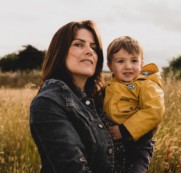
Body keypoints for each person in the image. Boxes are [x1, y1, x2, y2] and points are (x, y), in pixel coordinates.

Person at [29, 20, 116, 173]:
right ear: (60, 51)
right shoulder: (49, 101)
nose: (89, 51)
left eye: (94, 47)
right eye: (79, 44)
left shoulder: (98, 99)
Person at [103, 36, 165, 172]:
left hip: (139, 145)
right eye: (120, 61)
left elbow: (154, 111)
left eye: (134, 61)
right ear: (110, 65)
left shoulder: (146, 85)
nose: (128, 67)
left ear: (141, 64)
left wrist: (124, 130)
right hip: (114, 144)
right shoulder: (108, 87)